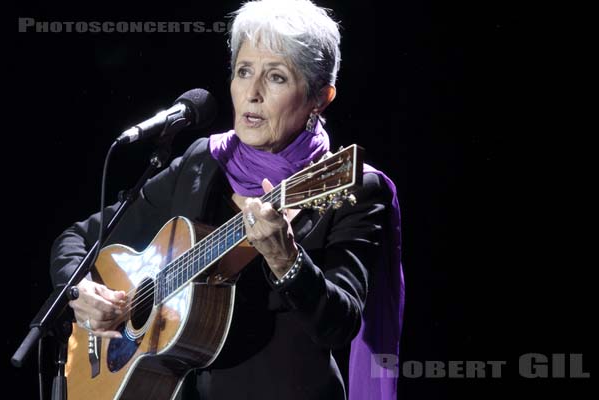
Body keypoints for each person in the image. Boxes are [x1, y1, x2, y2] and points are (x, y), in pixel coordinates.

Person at [50, 0, 404, 399]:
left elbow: (340, 324)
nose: (251, 93)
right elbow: (80, 238)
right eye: (244, 71)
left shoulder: (351, 186)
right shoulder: (203, 163)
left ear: (319, 98)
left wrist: (287, 259)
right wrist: (79, 290)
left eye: (276, 77)